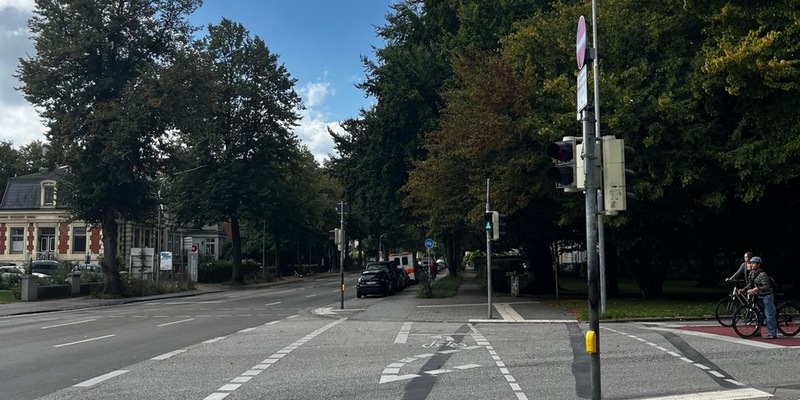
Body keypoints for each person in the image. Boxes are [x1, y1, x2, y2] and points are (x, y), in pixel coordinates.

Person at [738, 256, 777, 339]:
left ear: (758, 265)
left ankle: (772, 333)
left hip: (767, 295)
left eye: (753, 263)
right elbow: (750, 284)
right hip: (758, 296)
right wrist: (743, 289)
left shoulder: (763, 274)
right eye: (751, 263)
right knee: (758, 313)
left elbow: (766, 286)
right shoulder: (751, 274)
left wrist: (756, 289)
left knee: (769, 314)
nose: (751, 265)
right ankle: (757, 331)